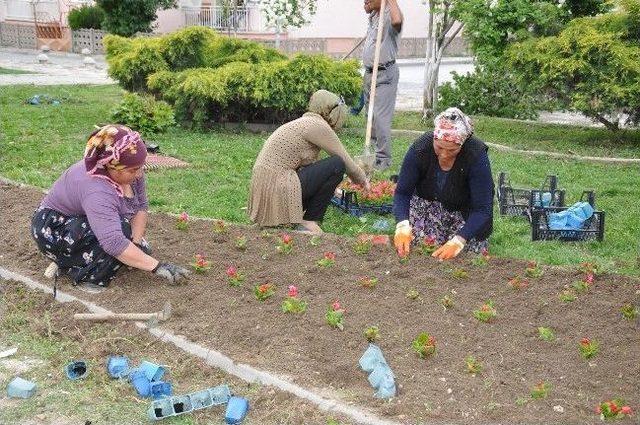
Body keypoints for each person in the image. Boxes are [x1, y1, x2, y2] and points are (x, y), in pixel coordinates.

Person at [31, 124, 189, 292]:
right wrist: (157, 266)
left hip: (82, 220)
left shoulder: (131, 171)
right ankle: (87, 275)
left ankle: (79, 258)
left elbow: (141, 206)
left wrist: (135, 244)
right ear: (111, 165)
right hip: (54, 228)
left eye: (140, 166)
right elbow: (113, 242)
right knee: (115, 240)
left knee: (133, 245)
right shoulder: (97, 189)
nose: (139, 174)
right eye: (134, 170)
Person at [248, 89, 370, 234]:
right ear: (332, 111)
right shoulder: (317, 125)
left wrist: (334, 190)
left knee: (333, 166)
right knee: (337, 164)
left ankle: (296, 220)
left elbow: (310, 168)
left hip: (268, 187)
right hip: (278, 185)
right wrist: (363, 180)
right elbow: (345, 160)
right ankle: (309, 221)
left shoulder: (304, 122)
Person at [392, 108, 494, 260]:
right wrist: (402, 225)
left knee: (464, 258)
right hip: (428, 210)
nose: (444, 154)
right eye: (439, 148)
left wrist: (459, 240)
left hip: (464, 214)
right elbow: (402, 192)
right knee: (421, 251)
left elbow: (482, 209)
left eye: (451, 150)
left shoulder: (475, 155)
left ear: (462, 145)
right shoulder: (421, 148)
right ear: (434, 138)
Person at [362, 0, 403, 171]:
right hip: (370, 73)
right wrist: (370, 6)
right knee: (370, 117)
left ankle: (382, 160)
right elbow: (367, 8)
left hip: (385, 73)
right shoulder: (374, 16)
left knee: (380, 118)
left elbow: (397, 22)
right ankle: (370, 153)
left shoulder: (391, 14)